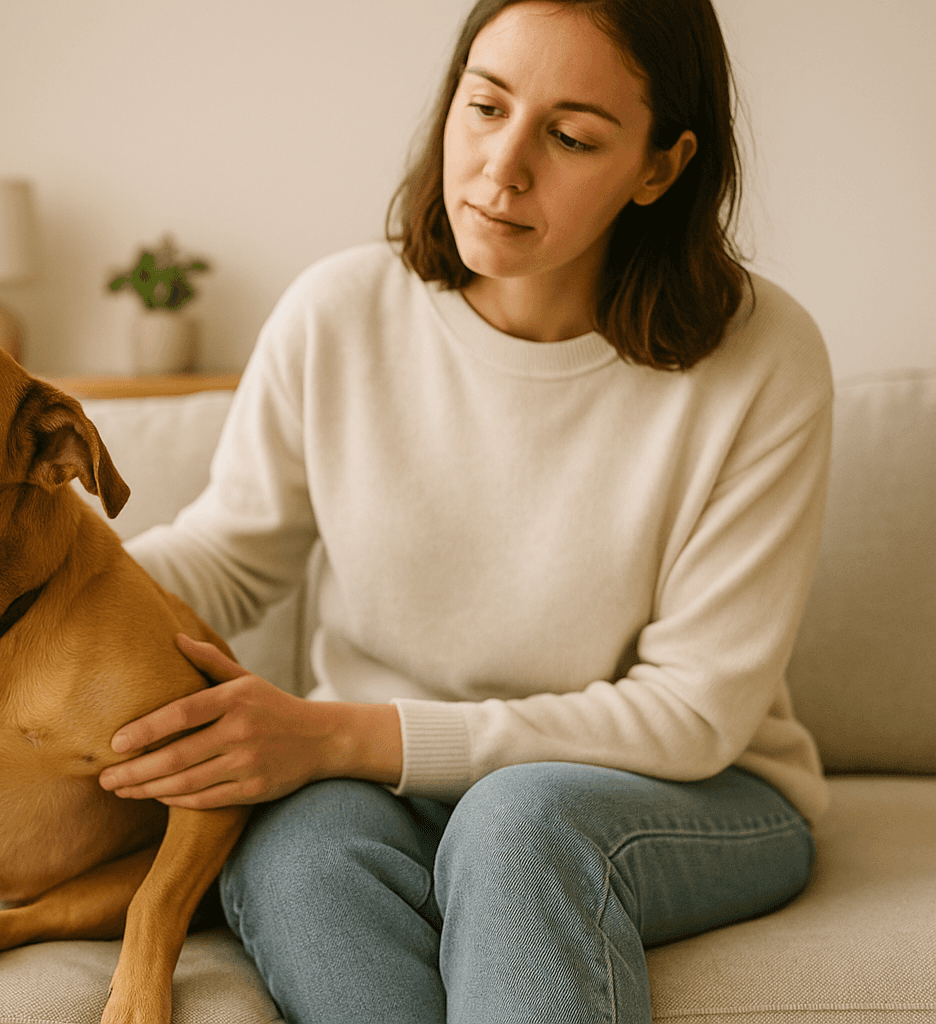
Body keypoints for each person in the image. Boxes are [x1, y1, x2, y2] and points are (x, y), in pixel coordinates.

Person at [95, 1, 832, 1021]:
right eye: (484, 105)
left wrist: (343, 734)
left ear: (660, 168)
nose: (503, 166)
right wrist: (29, 578)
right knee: (294, 855)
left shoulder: (765, 359)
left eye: (570, 137)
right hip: (382, 791)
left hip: (688, 790)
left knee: (518, 821)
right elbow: (232, 554)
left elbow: (693, 713)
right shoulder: (337, 312)